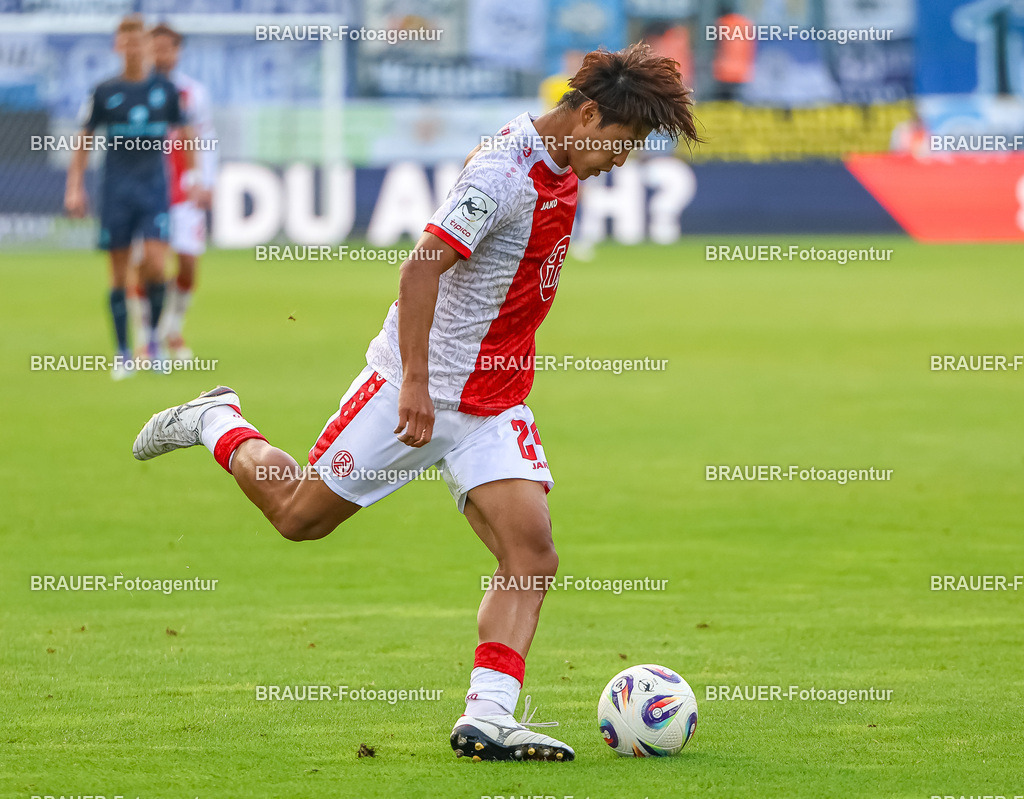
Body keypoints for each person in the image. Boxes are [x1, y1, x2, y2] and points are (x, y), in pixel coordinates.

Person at [132, 43, 701, 761]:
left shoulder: (559, 163)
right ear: (587, 113)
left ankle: (489, 714)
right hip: (420, 389)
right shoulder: (504, 174)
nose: (622, 161)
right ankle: (218, 419)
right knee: (298, 517)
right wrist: (413, 382)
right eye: (621, 144)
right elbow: (419, 269)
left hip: (492, 403)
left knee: (532, 552)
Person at [64, 14, 197, 380]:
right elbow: (84, 140)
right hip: (115, 191)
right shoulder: (104, 91)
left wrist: (195, 176)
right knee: (118, 273)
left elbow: (186, 134)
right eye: (128, 42)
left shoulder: (165, 90)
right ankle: (123, 352)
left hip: (154, 189)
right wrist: (74, 187)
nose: (134, 49)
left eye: (140, 42)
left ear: (146, 46)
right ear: (118, 47)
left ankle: (151, 341)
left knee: (156, 264)